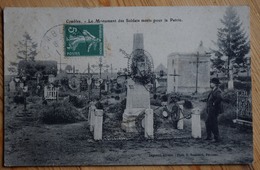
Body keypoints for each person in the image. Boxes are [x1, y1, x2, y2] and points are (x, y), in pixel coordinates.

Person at [205, 78, 223, 142]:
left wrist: (214, 103)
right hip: (211, 109)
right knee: (208, 122)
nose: (210, 84)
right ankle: (209, 136)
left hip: (214, 110)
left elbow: (220, 98)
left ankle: (216, 138)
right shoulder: (213, 90)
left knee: (213, 123)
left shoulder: (217, 90)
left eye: (211, 83)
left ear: (215, 84)